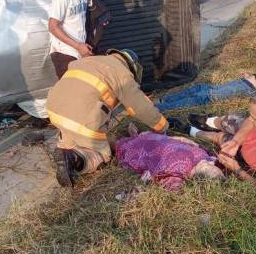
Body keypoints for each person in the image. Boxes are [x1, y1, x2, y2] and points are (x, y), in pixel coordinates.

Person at [46, 48, 169, 186]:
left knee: (72, 139)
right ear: (132, 66)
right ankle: (77, 160)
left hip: (54, 110)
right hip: (81, 115)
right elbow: (140, 106)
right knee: (102, 154)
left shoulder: (90, 61)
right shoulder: (122, 73)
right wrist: (162, 126)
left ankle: (66, 148)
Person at [169, 90, 256, 193]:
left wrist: (237, 169)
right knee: (232, 121)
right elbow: (250, 120)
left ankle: (191, 130)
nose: (251, 120)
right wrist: (237, 141)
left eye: (255, 119)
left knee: (222, 138)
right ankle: (209, 120)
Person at [155, 71, 256, 111]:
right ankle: (164, 101)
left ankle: (162, 107)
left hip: (247, 87)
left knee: (206, 95)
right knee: (203, 89)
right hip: (245, 82)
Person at [48, 0, 95, 78]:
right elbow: (53, 26)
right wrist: (78, 46)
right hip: (64, 53)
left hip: (79, 52)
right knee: (72, 93)